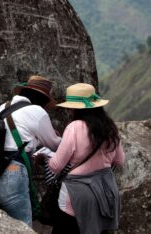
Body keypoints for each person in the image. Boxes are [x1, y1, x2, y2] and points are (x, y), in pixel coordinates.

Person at [0, 75, 61, 227]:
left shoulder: (2, 107)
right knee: (22, 227)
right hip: (11, 173)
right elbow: (55, 145)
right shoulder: (37, 111)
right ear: (42, 99)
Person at [47, 83, 125, 234]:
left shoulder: (74, 127)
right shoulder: (110, 127)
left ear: (75, 108)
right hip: (107, 191)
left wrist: (46, 158)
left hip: (78, 195)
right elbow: (119, 161)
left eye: (70, 107)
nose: (69, 110)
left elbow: (56, 166)